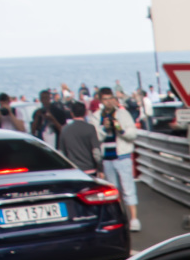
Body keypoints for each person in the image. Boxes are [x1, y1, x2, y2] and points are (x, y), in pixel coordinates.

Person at [95, 87, 141, 231]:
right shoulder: (96, 116)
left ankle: (134, 218)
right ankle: (119, 217)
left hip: (122, 156)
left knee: (128, 187)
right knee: (113, 190)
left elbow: (133, 133)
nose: (108, 102)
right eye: (105, 99)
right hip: (107, 157)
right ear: (100, 100)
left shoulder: (122, 113)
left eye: (110, 98)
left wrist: (121, 130)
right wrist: (104, 128)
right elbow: (95, 137)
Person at [59, 101, 102, 176]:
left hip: (73, 171)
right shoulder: (90, 128)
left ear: (71, 113)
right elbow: (96, 152)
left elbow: (61, 153)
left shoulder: (64, 129)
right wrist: (101, 169)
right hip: (90, 169)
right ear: (85, 113)